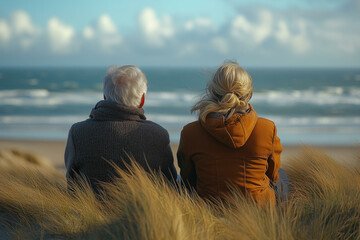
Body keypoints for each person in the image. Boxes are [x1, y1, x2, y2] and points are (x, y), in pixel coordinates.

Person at [177, 61, 288, 205]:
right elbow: (273, 175)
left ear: (212, 91)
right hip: (259, 212)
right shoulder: (267, 128)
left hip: (209, 211)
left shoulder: (190, 132)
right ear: (249, 94)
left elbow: (187, 179)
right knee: (283, 176)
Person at [65, 65, 177, 193]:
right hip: (140, 211)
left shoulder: (78, 132)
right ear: (142, 100)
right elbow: (169, 184)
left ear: (105, 97)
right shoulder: (158, 135)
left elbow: (71, 182)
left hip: (88, 210)